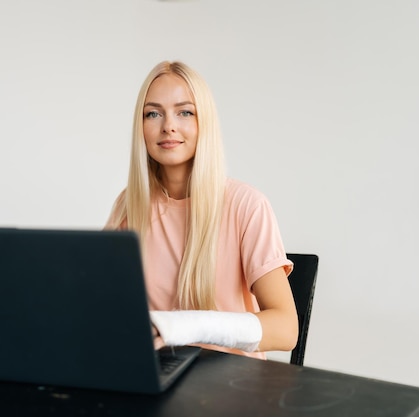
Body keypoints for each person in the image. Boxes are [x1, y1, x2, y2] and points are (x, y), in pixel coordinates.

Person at [105, 61, 298, 360]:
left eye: (185, 112)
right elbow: (100, 301)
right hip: (157, 375)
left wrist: (186, 326)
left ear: (203, 122)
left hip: (232, 388)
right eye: (153, 113)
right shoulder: (128, 205)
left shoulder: (247, 205)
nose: (168, 125)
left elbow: (286, 331)